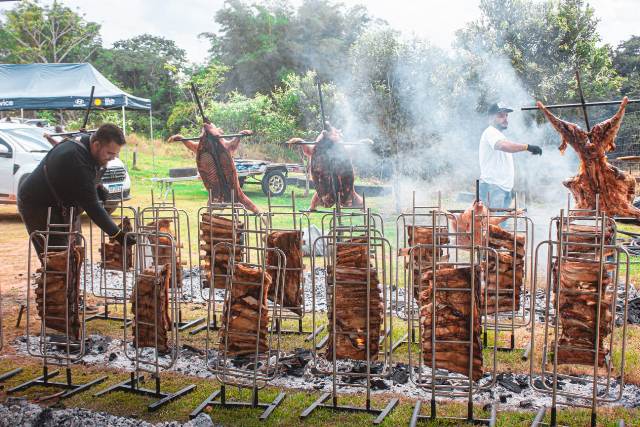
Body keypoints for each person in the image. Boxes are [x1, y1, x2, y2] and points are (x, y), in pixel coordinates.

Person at [17, 124, 134, 256]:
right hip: (38, 205)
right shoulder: (75, 158)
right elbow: (92, 207)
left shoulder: (87, 144)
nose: (113, 158)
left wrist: (97, 188)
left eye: (116, 154)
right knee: (60, 258)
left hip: (64, 204)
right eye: (110, 153)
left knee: (76, 252)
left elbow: (86, 177)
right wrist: (118, 234)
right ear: (96, 145)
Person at [479, 102, 542, 209]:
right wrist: (527, 147)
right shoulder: (490, 131)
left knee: (500, 219)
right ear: (491, 118)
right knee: (493, 219)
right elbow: (503, 146)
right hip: (493, 187)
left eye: (506, 115)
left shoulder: (499, 134)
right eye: (501, 116)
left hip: (502, 188)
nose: (505, 119)